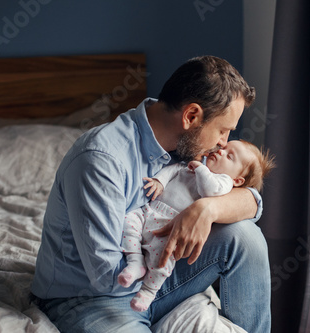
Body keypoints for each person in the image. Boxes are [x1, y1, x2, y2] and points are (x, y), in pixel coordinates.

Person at [30, 55, 272, 333]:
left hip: (156, 276)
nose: (223, 143)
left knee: (245, 237)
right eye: (223, 130)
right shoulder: (100, 160)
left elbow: (252, 202)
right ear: (191, 116)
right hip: (93, 297)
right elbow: (105, 276)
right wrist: (162, 268)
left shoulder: (188, 148)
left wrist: (207, 209)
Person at [119, 140, 275, 312]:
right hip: (151, 211)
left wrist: (201, 170)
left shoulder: (223, 181)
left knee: (164, 257)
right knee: (129, 221)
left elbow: (212, 190)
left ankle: (148, 291)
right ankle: (135, 262)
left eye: (229, 156)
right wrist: (159, 181)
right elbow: (173, 170)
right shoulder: (192, 164)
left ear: (237, 180)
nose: (221, 150)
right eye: (223, 148)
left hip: (170, 225)